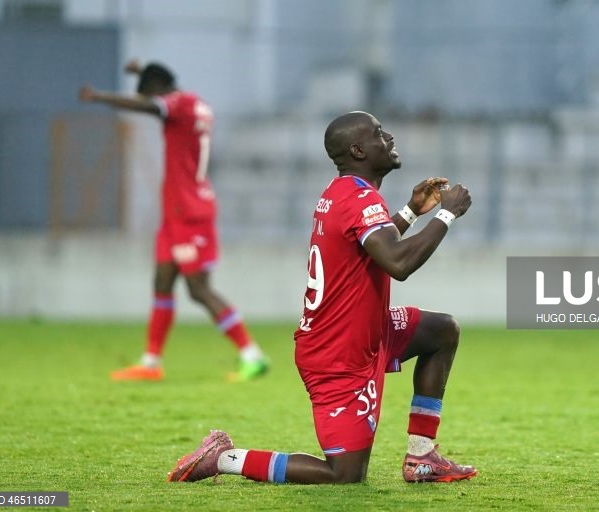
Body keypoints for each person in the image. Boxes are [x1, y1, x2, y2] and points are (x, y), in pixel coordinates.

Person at [167, 111, 476, 484]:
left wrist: (411, 212)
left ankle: (422, 458)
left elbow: (374, 249)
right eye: (379, 134)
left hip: (366, 331)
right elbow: (397, 263)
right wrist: (446, 214)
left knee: (441, 331)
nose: (390, 137)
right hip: (338, 356)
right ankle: (225, 458)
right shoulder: (360, 199)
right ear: (359, 150)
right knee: (344, 475)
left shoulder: (344, 193)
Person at [78, 60, 269, 382]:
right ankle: (151, 363)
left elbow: (153, 106)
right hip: (176, 213)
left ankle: (252, 355)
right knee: (162, 282)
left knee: (198, 289)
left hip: (188, 212)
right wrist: (142, 73)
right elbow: (160, 89)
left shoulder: (175, 106)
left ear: (156, 91)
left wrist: (101, 97)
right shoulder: (194, 102)